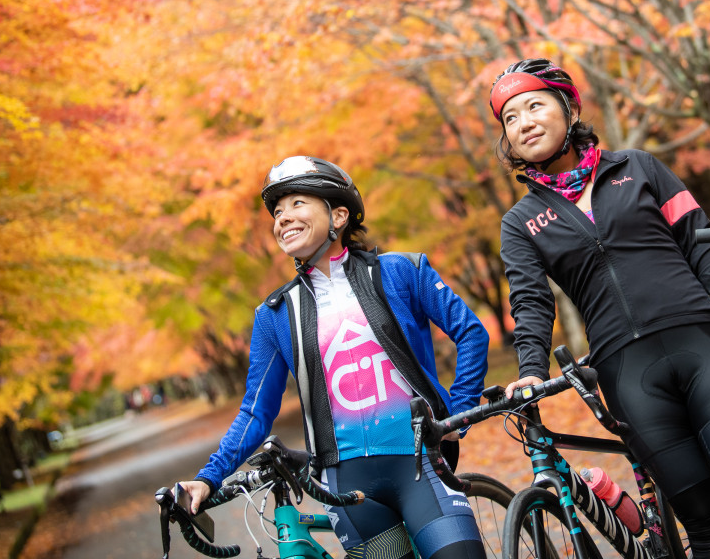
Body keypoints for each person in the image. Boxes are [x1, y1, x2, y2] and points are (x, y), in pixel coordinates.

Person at [490, 59, 710, 559]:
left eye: (534, 105)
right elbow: (530, 300)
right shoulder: (521, 222)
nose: (523, 122)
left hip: (701, 342)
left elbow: (700, 244)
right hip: (628, 371)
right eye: (510, 118)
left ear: (568, 109)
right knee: (704, 522)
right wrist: (528, 371)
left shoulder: (640, 168)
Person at [172, 156, 491, 559]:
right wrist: (208, 477)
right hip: (348, 491)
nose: (282, 218)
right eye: (277, 211)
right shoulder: (274, 315)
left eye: (297, 204)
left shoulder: (400, 271)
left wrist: (457, 417)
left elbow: (471, 332)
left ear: (338, 215)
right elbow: (255, 411)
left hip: (422, 463)